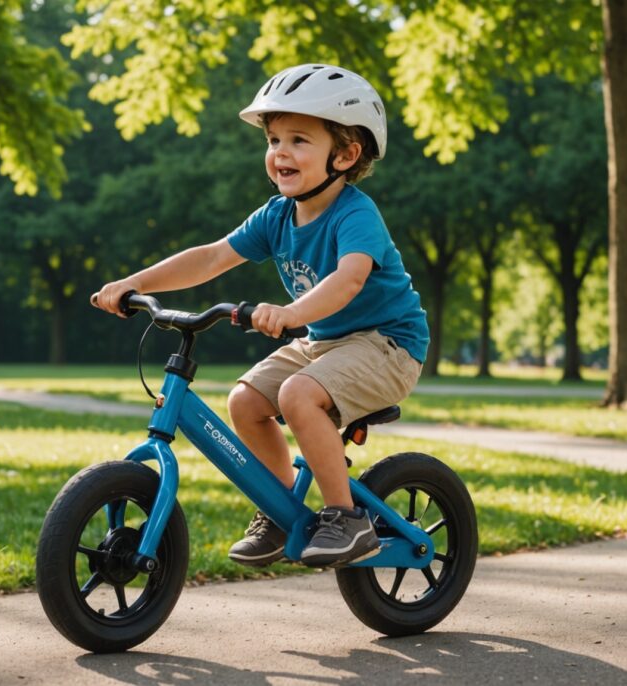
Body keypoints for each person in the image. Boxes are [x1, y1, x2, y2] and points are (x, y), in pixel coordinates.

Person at [92, 64, 429, 568]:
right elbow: (209, 257)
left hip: (388, 345)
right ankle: (283, 506)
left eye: (298, 140)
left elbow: (350, 279)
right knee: (245, 400)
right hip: (325, 341)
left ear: (346, 154)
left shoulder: (355, 214)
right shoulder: (276, 215)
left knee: (297, 394)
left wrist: (291, 312)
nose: (280, 153)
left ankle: (345, 516)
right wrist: (134, 283)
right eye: (273, 140)